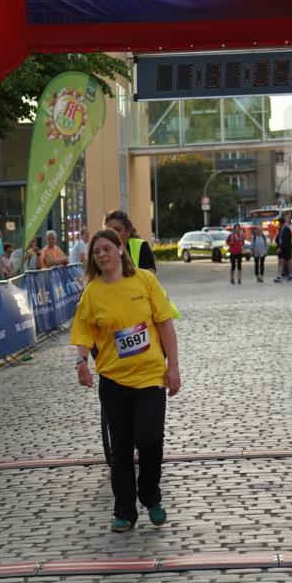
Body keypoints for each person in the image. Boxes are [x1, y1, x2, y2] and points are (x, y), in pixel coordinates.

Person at [70, 228, 180, 533]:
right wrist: (81, 362)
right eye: (96, 251)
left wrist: (174, 368)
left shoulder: (145, 280)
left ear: (120, 250)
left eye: (107, 248)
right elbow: (84, 331)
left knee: (149, 440)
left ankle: (150, 494)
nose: (102, 255)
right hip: (114, 380)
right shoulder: (92, 292)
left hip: (149, 376)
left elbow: (165, 325)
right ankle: (125, 511)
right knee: (120, 449)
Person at [273, 217, 292, 282]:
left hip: (286, 248)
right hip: (281, 248)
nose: (279, 224)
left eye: (279, 223)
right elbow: (278, 239)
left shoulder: (287, 230)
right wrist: (278, 246)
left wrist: (281, 247)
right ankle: (279, 275)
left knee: (288, 261)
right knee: (281, 261)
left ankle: (290, 274)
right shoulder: (280, 230)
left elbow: (287, 240)